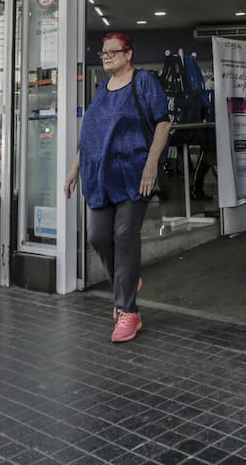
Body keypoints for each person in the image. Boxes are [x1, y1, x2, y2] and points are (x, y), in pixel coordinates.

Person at [64, 32, 170, 343]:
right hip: (100, 177)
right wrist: (73, 170)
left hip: (135, 175)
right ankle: (128, 280)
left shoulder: (144, 82)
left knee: (124, 235)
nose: (107, 56)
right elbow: (91, 137)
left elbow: (163, 123)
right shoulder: (101, 88)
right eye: (104, 53)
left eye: (113, 52)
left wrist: (151, 164)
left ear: (128, 54)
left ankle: (127, 311)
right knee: (97, 236)